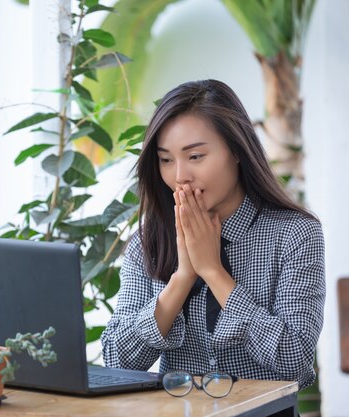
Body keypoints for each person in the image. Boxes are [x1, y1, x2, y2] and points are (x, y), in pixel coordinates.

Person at [101, 80, 325, 396]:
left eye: (195, 157)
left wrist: (214, 273)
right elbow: (116, 359)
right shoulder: (147, 241)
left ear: (236, 150)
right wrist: (182, 278)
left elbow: (297, 361)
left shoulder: (294, 234)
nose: (179, 176)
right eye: (166, 160)